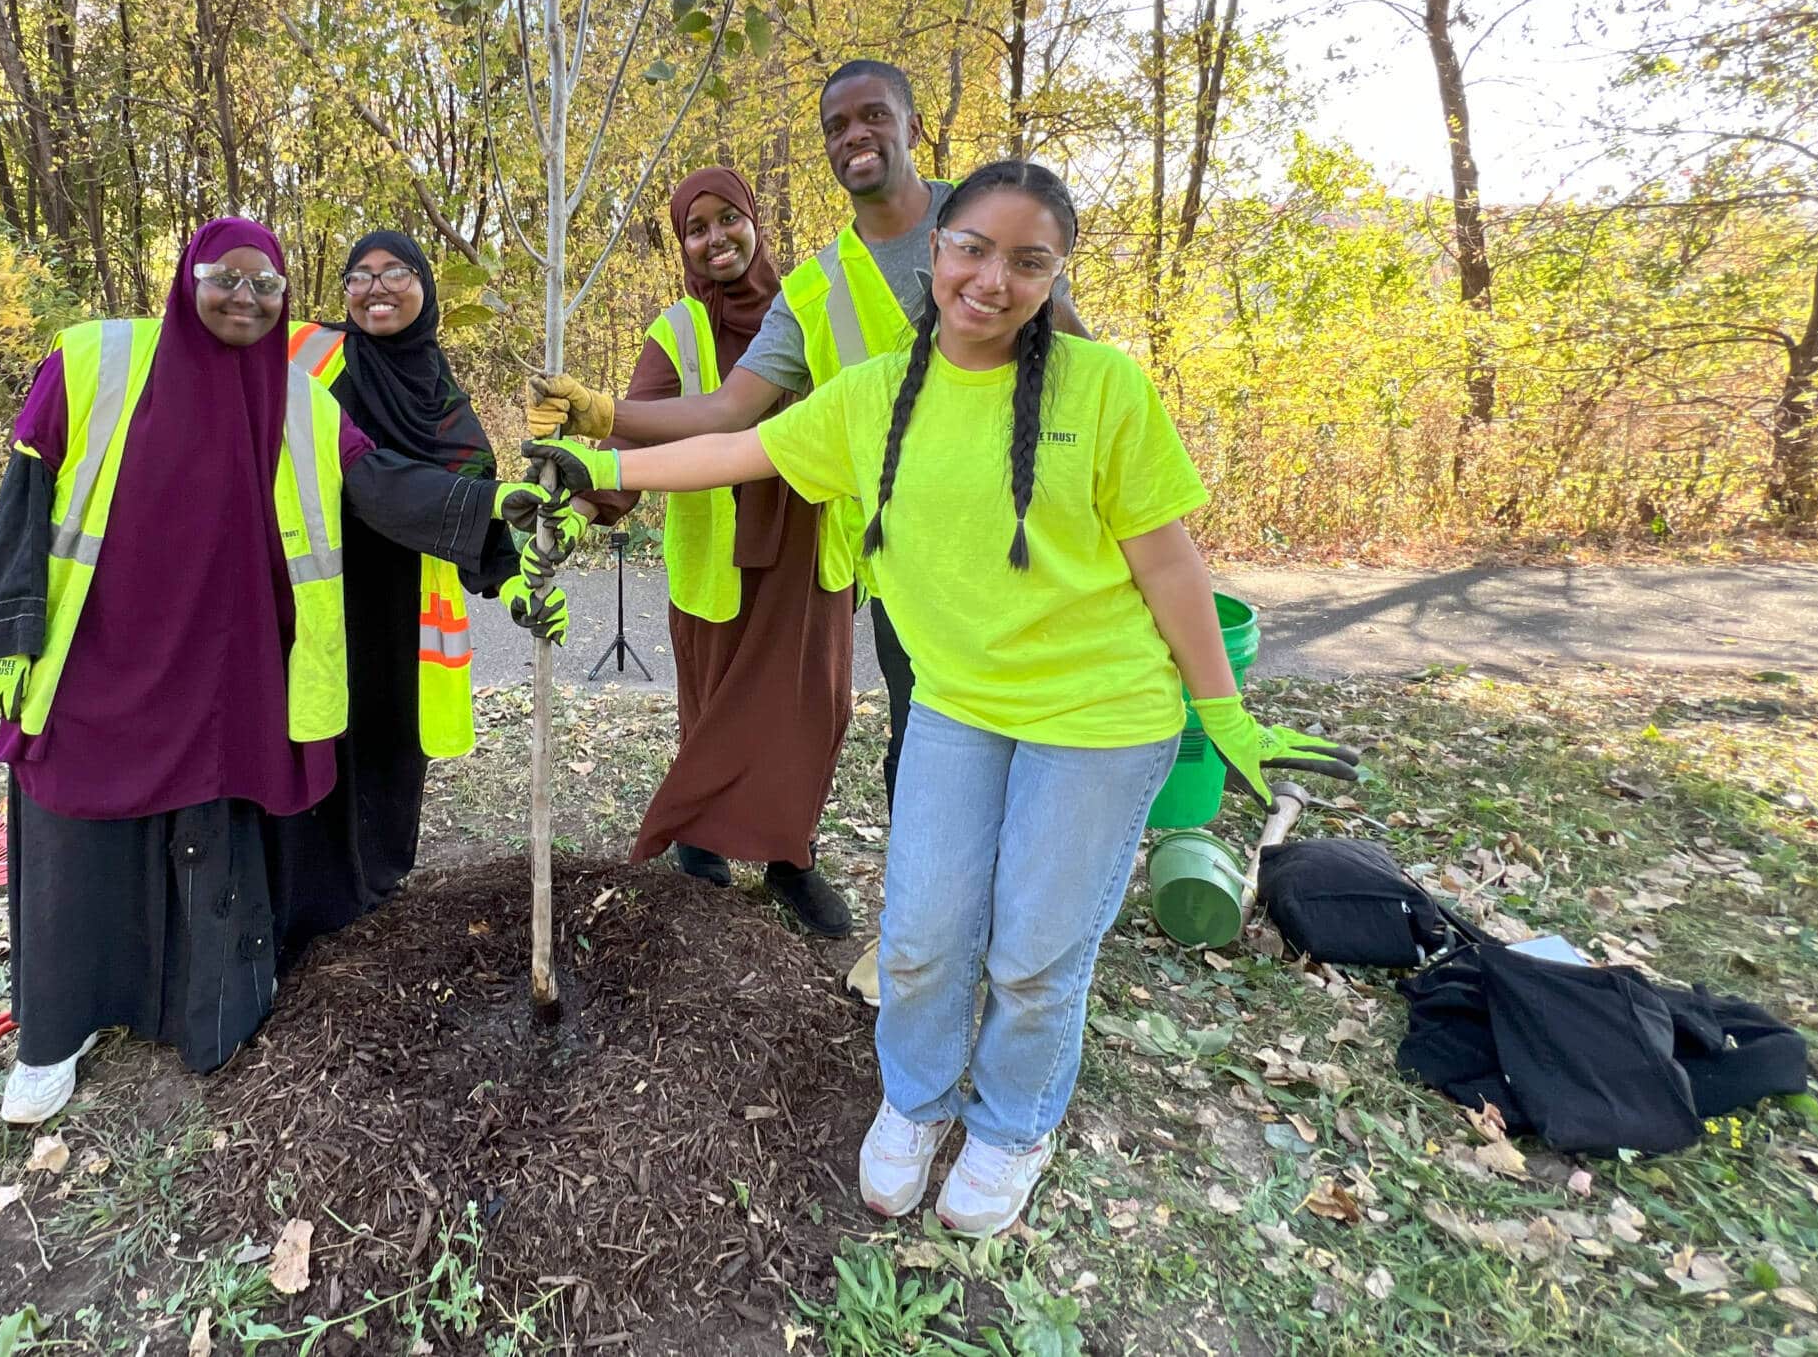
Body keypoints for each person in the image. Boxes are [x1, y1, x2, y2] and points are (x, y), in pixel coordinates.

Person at [522, 161, 1333, 1237]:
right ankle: (916, 1100)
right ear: (936, 251)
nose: (993, 279)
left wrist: (1219, 708)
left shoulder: (1102, 388)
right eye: (973, 250)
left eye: (1029, 260)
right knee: (921, 934)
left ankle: (1010, 1126)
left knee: (1035, 952)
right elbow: (733, 448)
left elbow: (1171, 563)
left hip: (1097, 718)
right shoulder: (874, 394)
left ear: (1054, 276)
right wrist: (591, 457)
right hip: (959, 705)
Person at [0, 218, 561, 1124]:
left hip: (226, 671)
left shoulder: (300, 401)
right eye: (225, 278)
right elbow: (28, 491)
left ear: (286, 299)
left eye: (266, 285)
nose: (244, 297)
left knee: (213, 830)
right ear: (187, 278)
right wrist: (7, 629)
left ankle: (209, 1012)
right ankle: (59, 1031)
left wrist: (503, 519)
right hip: (100, 658)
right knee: (80, 837)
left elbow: (387, 489)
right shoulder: (96, 360)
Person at [526, 61, 1089, 984]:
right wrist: (593, 441)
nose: (982, 279)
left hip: (979, 544)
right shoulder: (812, 297)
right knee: (926, 746)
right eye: (838, 123)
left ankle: (955, 925)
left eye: (875, 117)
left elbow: (1079, 362)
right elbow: (726, 423)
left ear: (911, 125)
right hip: (873, 556)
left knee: (943, 736)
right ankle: (919, 939)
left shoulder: (984, 222)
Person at [570, 170, 857, 935]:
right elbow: (636, 427)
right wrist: (585, 498)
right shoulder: (678, 330)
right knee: (715, 708)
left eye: (729, 218)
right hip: (716, 554)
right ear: (683, 246)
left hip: (810, 545)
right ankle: (700, 845)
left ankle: (792, 858)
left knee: (809, 707)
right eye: (696, 228)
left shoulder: (816, 309)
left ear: (756, 220)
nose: (715, 238)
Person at [269, 230, 553, 964]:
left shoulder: (438, 393)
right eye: (358, 276)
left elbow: (479, 494)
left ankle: (377, 893)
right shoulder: (305, 355)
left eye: (395, 272)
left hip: (402, 603)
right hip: (315, 588)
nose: (376, 288)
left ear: (425, 286)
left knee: (391, 745)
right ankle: (307, 907)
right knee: (314, 737)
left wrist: (520, 581)